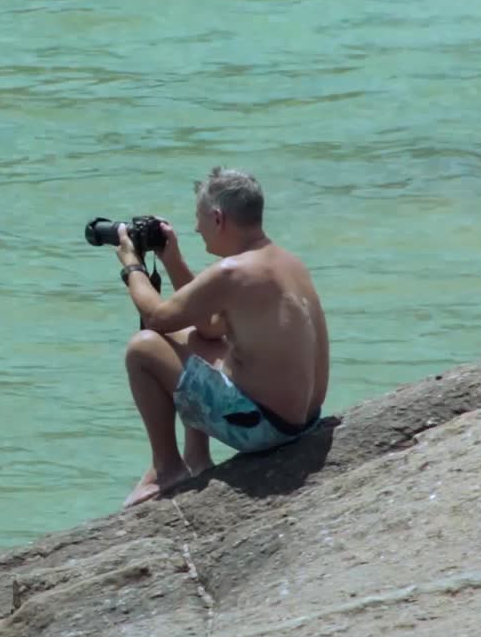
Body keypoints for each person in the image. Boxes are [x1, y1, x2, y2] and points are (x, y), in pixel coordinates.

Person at [114, 167, 329, 509]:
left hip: (265, 430)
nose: (197, 228)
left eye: (199, 219)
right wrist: (171, 260)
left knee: (143, 347)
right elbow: (210, 326)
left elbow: (157, 318)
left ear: (217, 217)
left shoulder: (233, 272)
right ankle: (197, 460)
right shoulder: (288, 261)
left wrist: (131, 266)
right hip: (305, 421)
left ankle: (167, 468)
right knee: (201, 341)